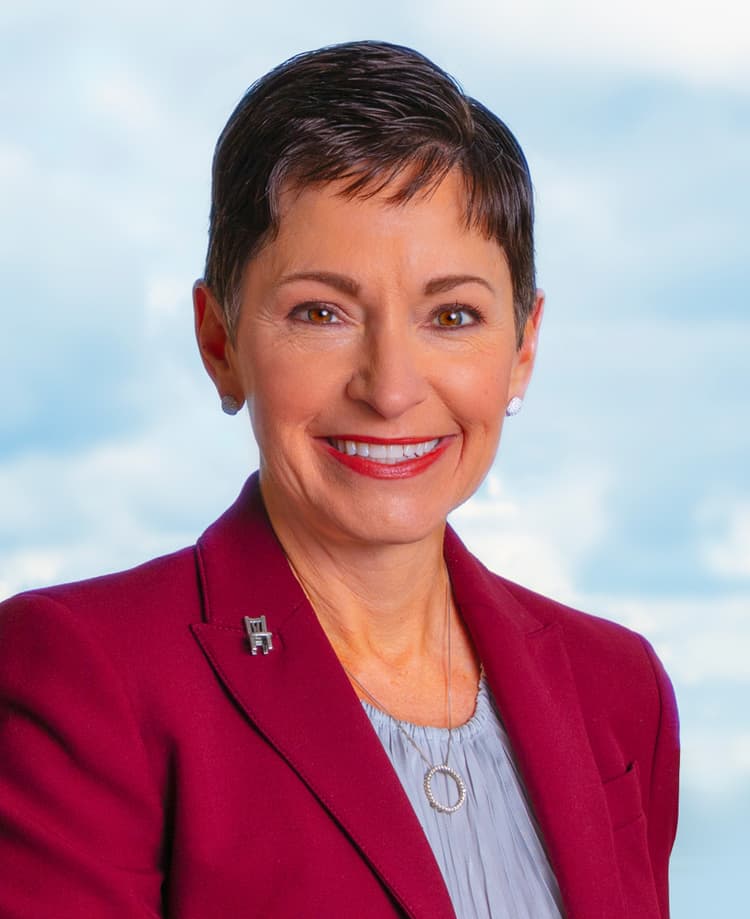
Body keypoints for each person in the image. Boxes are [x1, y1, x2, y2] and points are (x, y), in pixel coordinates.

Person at [0, 41, 678, 919]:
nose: (390, 388)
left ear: (523, 348)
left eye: (453, 315)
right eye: (321, 312)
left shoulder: (618, 689)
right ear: (219, 341)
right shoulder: (86, 676)